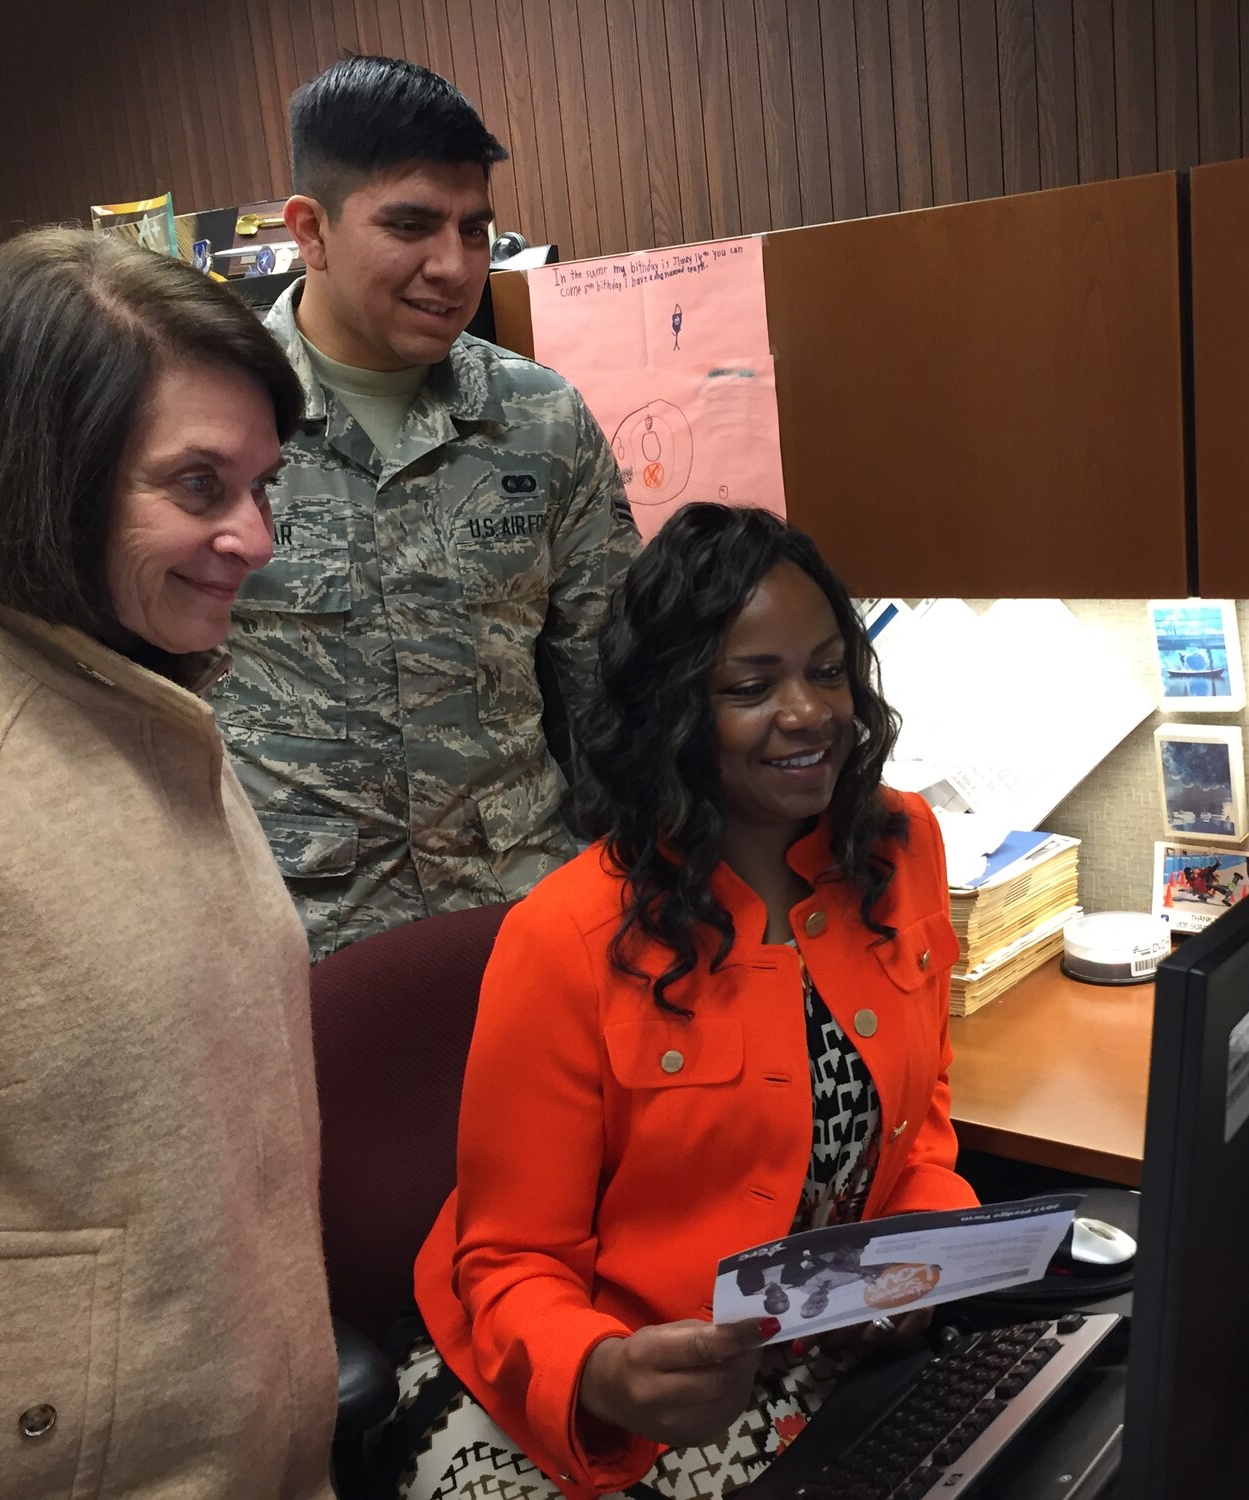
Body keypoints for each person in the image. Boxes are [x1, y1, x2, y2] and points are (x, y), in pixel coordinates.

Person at [0, 228, 337, 1499]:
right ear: (38, 474)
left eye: (262, 486)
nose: (252, 537)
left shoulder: (127, 685)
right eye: (198, 486)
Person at [387, 504, 979, 1500]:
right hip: (587, 1382)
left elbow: (920, 1131)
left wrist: (924, 1245)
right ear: (671, 710)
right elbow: (508, 1262)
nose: (808, 713)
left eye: (827, 670)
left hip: (818, 1355)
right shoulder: (566, 937)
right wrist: (601, 1371)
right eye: (751, 686)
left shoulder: (898, 847)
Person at [214, 54, 639, 959]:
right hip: (298, 943)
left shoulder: (539, 418)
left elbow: (617, 685)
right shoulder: (210, 420)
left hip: (521, 921)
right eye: (409, 226)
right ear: (311, 230)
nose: (453, 267)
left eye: (476, 230)